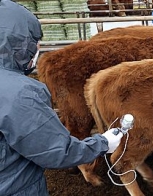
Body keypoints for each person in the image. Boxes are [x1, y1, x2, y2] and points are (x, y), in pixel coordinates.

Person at [0, 0, 124, 195]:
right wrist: (103, 143)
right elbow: (56, 150)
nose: (38, 45)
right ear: (18, 43)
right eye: (33, 40)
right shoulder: (19, 93)